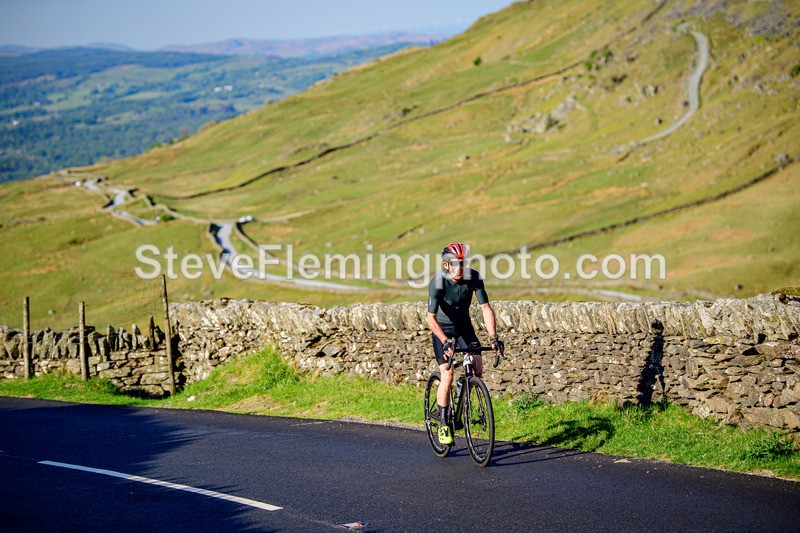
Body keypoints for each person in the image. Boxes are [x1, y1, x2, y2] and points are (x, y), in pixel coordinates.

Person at [427, 242, 504, 445]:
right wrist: (444, 341)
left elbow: (486, 308)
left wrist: (493, 337)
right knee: (448, 374)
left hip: (463, 326)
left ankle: (465, 384)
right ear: (446, 265)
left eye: (462, 263)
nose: (459, 267)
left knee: (477, 368)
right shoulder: (438, 283)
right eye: (455, 263)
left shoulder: (474, 277)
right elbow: (430, 319)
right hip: (442, 329)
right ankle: (444, 424)